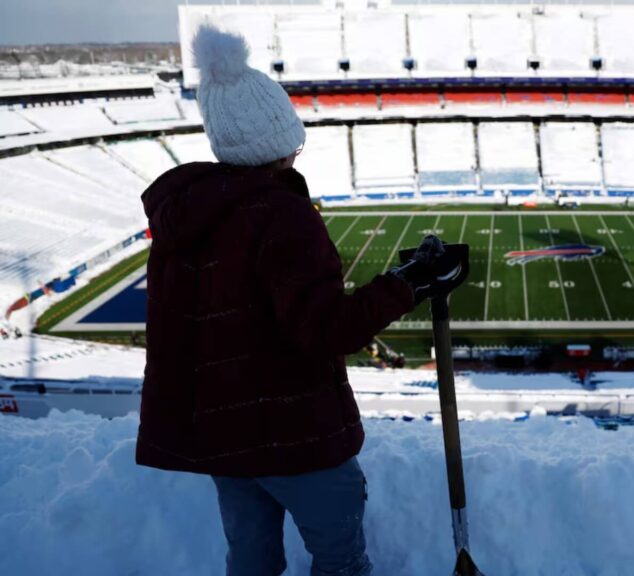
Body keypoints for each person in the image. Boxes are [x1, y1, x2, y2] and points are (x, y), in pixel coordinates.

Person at [135, 24, 454, 576]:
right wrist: (406, 283)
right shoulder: (282, 216)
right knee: (340, 562)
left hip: (227, 442)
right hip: (297, 437)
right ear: (276, 140)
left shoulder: (186, 217)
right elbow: (327, 329)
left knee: (251, 564)